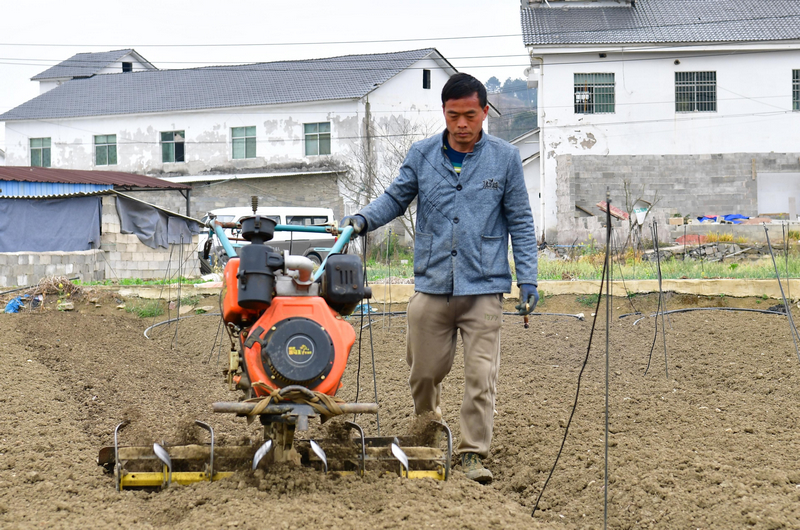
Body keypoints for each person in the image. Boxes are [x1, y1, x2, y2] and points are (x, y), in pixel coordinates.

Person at [340, 73, 538, 484]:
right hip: (432, 284)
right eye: (453, 116)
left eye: (470, 115)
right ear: (443, 114)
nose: (462, 124)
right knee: (425, 372)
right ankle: (427, 430)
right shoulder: (423, 154)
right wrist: (361, 220)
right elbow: (395, 199)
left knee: (481, 376)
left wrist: (529, 280)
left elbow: (520, 219)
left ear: (485, 112)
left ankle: (471, 455)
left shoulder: (504, 158)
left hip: (484, 286)